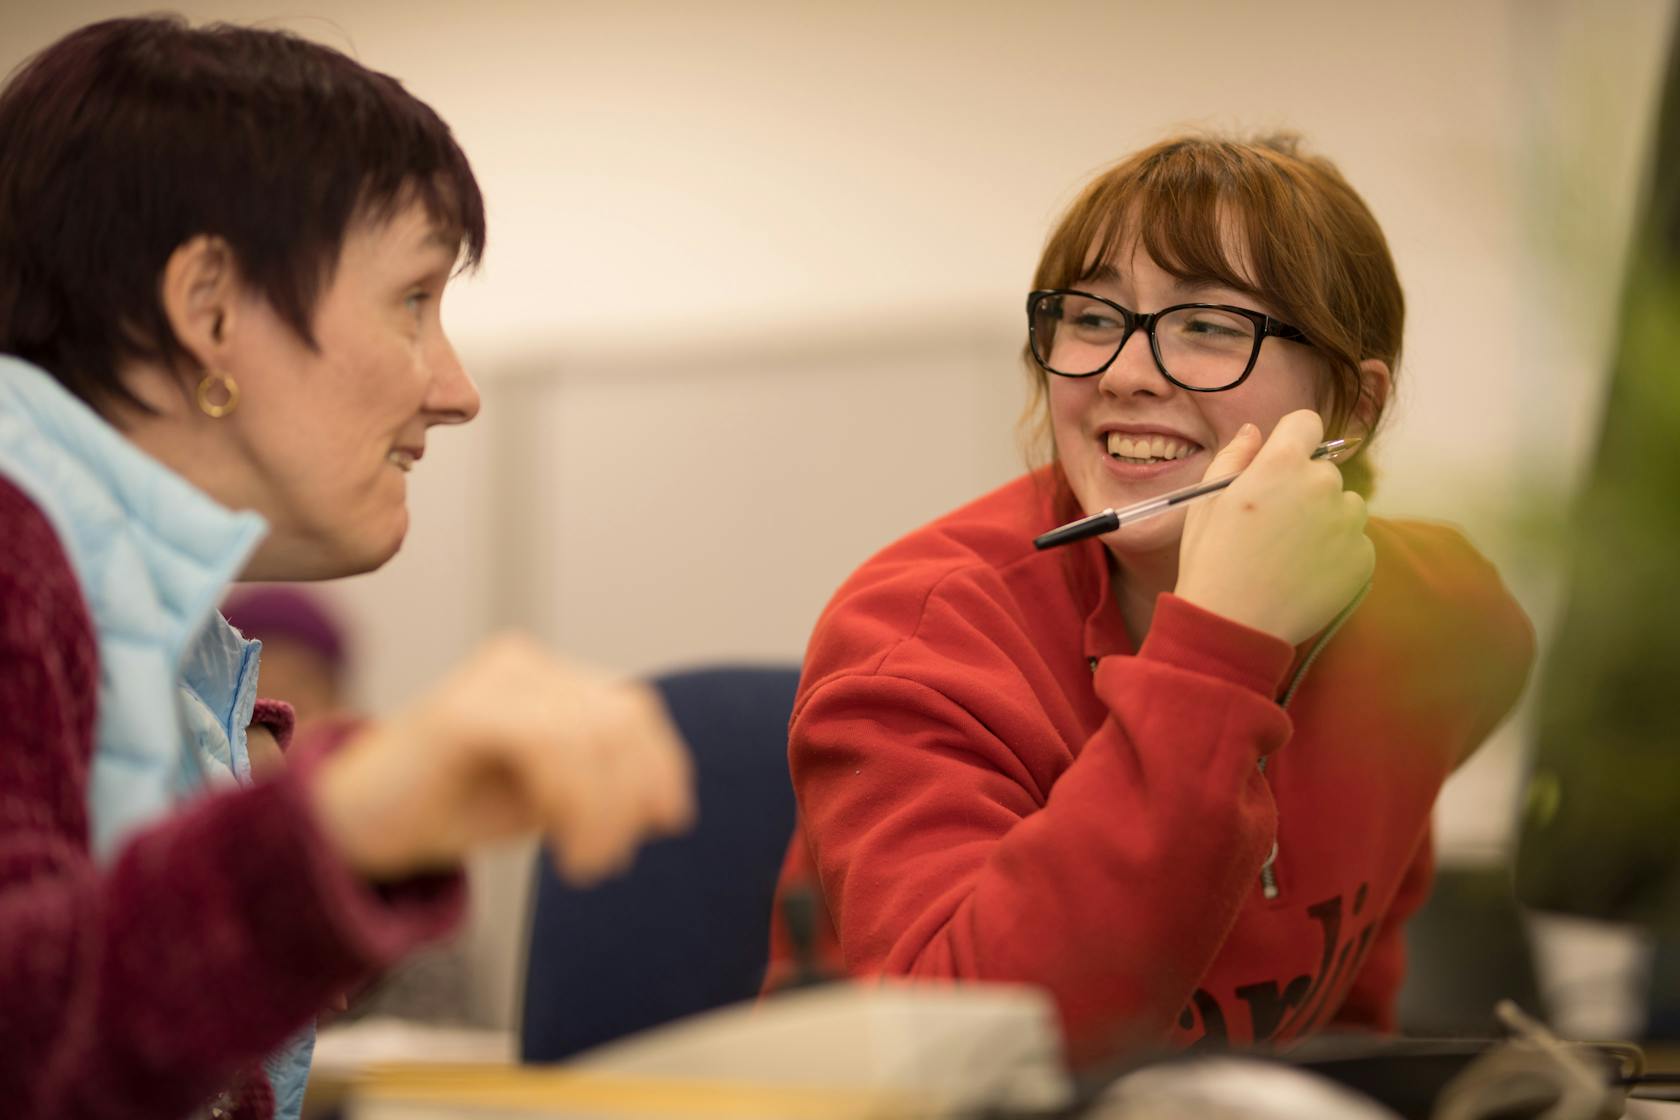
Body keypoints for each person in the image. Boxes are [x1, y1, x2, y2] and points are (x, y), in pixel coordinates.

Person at [0, 18, 692, 1120]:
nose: (457, 387)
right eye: (413, 300)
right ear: (210, 310)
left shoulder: (152, 635)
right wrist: (345, 820)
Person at [763, 134, 1535, 1067]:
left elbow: (1350, 988)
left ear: (1354, 407)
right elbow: (969, 1058)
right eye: (1091, 319)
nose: (1126, 371)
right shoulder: (916, 636)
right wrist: (1220, 653)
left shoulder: (1443, 617)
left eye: (1209, 325)